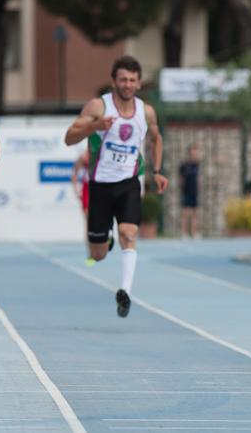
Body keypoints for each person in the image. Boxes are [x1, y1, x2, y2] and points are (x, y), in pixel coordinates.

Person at [64, 55, 168, 318]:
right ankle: (105, 240)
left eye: (132, 80)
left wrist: (156, 171)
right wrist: (95, 126)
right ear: (114, 81)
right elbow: (69, 138)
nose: (127, 84)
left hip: (129, 183)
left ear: (139, 83)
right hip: (100, 185)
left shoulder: (146, 112)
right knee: (97, 254)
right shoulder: (98, 107)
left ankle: (125, 291)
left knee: (129, 234)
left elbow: (156, 140)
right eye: (123, 79)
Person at [71, 149, 95, 265]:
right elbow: (74, 173)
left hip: (100, 188)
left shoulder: (103, 152)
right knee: (88, 223)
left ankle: (106, 233)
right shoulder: (84, 156)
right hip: (87, 189)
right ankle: (90, 253)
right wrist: (76, 191)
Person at [179, 144, 201, 240]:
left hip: (194, 191)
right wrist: (183, 188)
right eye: (193, 151)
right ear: (189, 153)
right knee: (185, 213)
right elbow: (181, 179)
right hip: (186, 191)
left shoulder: (197, 165)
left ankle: (194, 233)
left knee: (195, 213)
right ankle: (184, 233)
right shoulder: (184, 166)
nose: (194, 154)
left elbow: (198, 178)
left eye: (195, 152)